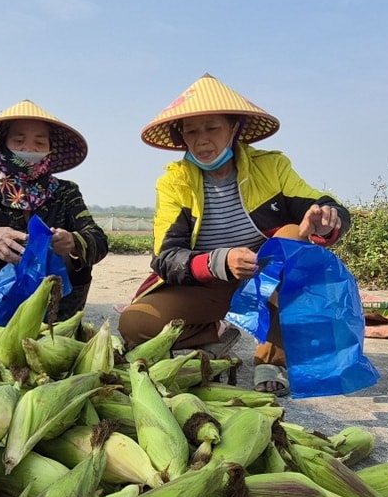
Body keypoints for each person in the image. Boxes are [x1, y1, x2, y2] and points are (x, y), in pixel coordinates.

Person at [118, 74, 352, 396]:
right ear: (182, 137)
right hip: (208, 284)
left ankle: (271, 358)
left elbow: (323, 206)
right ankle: (214, 333)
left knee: (292, 235)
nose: (202, 140)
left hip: (262, 282)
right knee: (135, 324)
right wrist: (220, 262)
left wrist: (327, 219)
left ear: (234, 129)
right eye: (192, 131)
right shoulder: (174, 182)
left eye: (212, 128)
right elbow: (166, 257)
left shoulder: (272, 167)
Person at [0, 100, 108, 321]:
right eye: (19, 140)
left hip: (52, 293)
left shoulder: (66, 192)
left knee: (78, 262)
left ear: (50, 150)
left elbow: (99, 240)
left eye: (40, 142)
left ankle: (59, 325)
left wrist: (73, 241)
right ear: (3, 146)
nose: (29, 149)